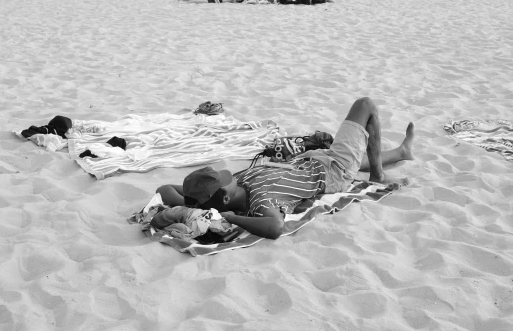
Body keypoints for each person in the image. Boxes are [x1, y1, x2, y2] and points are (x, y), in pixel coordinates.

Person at [153, 97, 414, 240]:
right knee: (365, 106)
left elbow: (164, 189)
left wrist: (196, 209)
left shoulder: (234, 186)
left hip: (311, 160)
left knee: (358, 155)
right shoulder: (259, 202)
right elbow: (276, 227)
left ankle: (401, 153)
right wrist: (229, 218)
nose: (229, 175)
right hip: (333, 172)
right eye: (224, 180)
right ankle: (378, 175)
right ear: (224, 197)